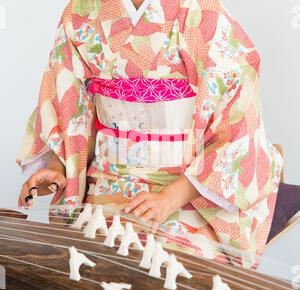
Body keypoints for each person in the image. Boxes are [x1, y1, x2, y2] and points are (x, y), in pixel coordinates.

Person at [17, 0, 283, 268]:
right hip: (107, 181)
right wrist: (57, 166)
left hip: (187, 189)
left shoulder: (202, 12)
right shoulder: (80, 12)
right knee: (85, 263)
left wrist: (171, 197)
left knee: (170, 270)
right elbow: (67, 105)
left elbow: (238, 115)